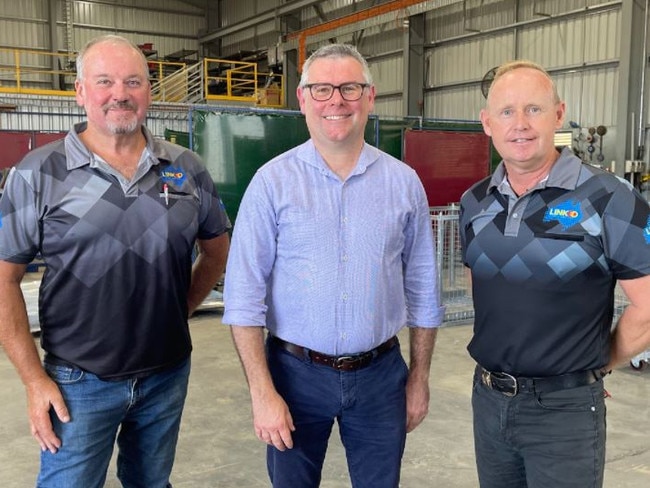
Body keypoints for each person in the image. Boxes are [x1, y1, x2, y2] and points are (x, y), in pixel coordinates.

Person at [0, 35, 230, 487]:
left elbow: (217, 249)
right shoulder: (37, 173)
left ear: (149, 90)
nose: (119, 93)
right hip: (76, 382)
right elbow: (4, 280)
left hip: (166, 376)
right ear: (81, 91)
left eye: (133, 81)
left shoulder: (185, 168)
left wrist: (180, 308)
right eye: (103, 81)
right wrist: (33, 380)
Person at [222, 43, 444, 488]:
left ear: (370, 96)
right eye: (322, 89)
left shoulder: (403, 183)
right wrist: (262, 393)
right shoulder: (271, 183)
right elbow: (243, 297)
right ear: (303, 99)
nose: (336, 101)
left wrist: (419, 378)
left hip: (382, 378)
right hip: (294, 376)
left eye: (349, 88)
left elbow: (423, 287)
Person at [459, 59, 650, 488]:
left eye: (534, 109)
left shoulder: (609, 199)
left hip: (565, 412)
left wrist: (597, 365)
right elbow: (481, 284)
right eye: (507, 112)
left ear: (559, 115)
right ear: (487, 123)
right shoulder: (474, 204)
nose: (520, 124)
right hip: (488, 402)